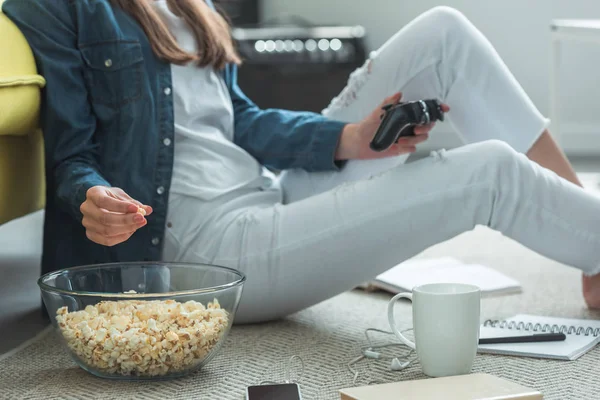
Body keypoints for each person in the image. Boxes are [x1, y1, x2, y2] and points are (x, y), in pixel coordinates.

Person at [4, 0, 600, 324]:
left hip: (267, 194)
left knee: (444, 31)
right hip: (208, 255)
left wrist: (351, 137)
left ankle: (590, 250)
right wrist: (90, 199)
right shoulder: (58, 5)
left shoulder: (187, 4)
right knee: (486, 171)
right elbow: (71, 156)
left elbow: (240, 121)